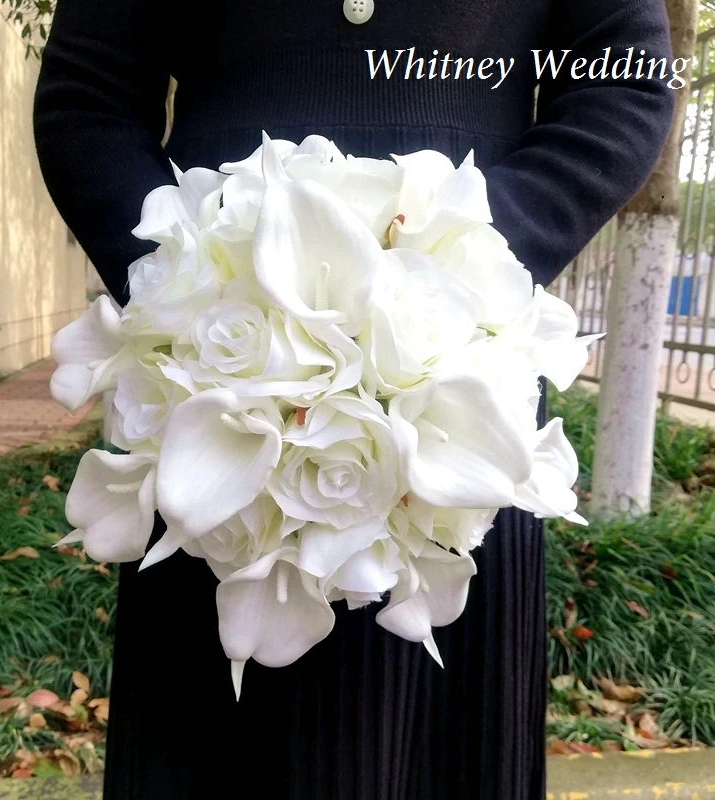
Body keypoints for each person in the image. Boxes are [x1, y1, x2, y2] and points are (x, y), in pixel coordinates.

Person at [33, 2, 674, 797]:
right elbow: (87, 93)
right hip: (211, 389)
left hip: (459, 392)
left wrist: (457, 262)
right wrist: (193, 287)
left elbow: (624, 81)